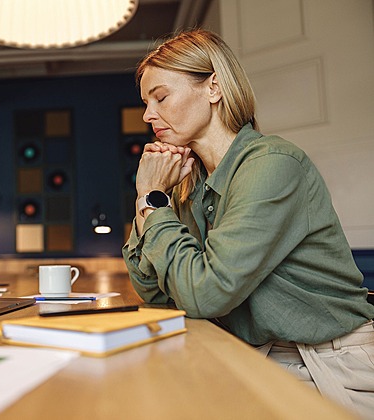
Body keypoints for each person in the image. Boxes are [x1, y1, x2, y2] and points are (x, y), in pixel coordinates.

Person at [122, 28, 374, 417]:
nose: (147, 114)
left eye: (161, 97)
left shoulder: (273, 164)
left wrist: (155, 201)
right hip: (259, 354)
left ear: (214, 88)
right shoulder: (191, 184)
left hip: (332, 363)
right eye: (146, 102)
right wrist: (149, 198)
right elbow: (155, 293)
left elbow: (206, 294)